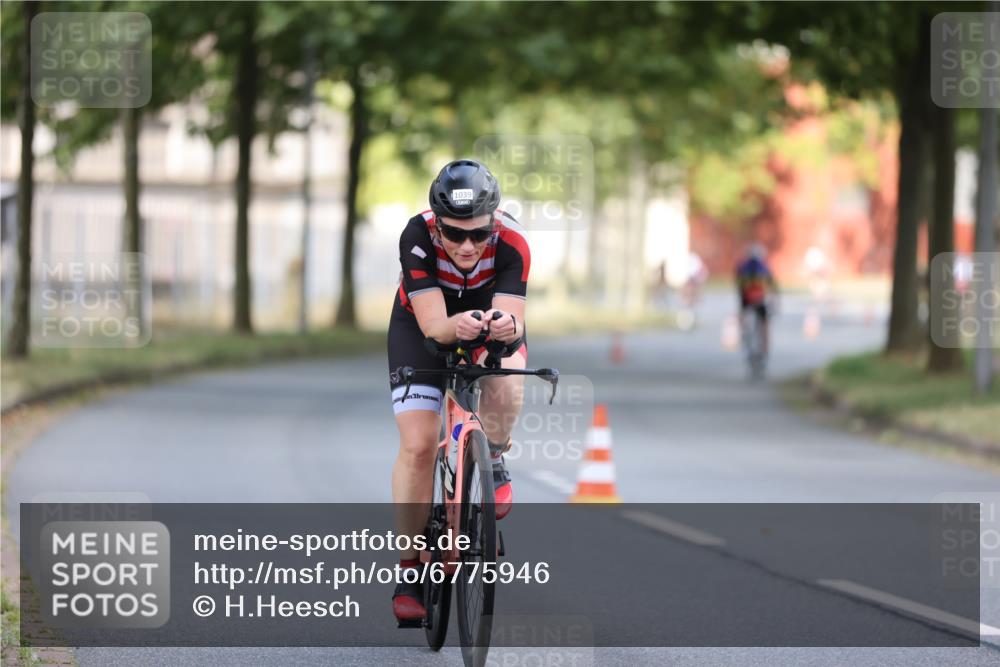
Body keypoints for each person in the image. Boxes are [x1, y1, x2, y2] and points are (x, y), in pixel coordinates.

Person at [387, 159, 530, 622]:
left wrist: (505, 327)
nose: (467, 245)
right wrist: (457, 327)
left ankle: (491, 456)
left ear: (495, 221)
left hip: (486, 320)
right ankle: (410, 568)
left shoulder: (513, 244)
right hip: (423, 326)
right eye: (454, 234)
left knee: (506, 383)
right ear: (436, 225)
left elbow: (512, 320)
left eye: (478, 234)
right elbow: (433, 327)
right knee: (419, 445)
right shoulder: (416, 236)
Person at [735, 242, 777, 357]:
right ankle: (765, 348)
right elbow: (772, 285)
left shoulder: (743, 265)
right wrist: (775, 301)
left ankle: (743, 333)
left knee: (743, 314)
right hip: (759, 298)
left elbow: (738, 283)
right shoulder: (763, 266)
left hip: (746, 296)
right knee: (764, 323)